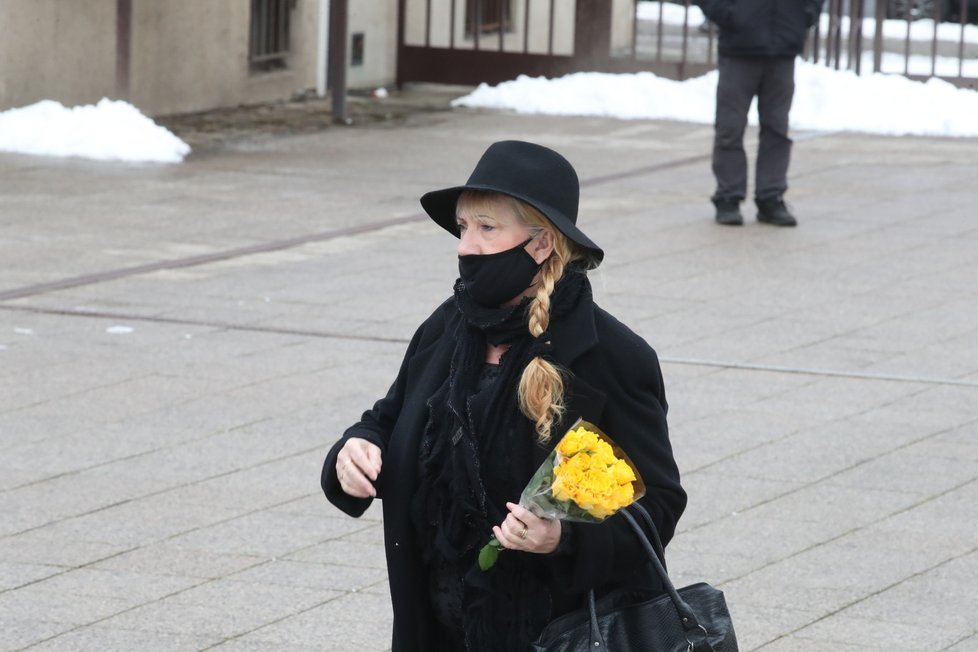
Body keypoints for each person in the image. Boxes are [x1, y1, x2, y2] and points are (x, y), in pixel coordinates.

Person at [321, 140, 687, 651]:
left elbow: (659, 505)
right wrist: (355, 450)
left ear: (541, 244)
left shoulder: (612, 356)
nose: (464, 246)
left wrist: (563, 540)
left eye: (487, 228)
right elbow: (386, 419)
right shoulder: (448, 328)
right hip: (436, 628)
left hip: (553, 632)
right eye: (464, 227)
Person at [695, 0, 825, 227]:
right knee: (730, 126)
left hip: (783, 45)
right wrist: (729, 14)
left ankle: (770, 197)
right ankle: (728, 197)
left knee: (777, 128)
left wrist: (805, 14)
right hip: (739, 47)